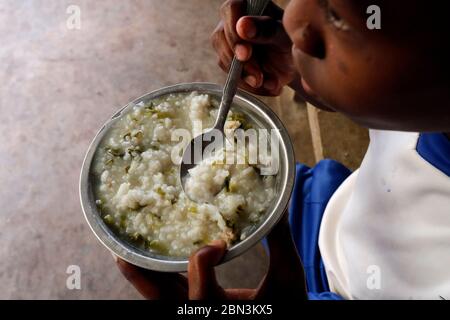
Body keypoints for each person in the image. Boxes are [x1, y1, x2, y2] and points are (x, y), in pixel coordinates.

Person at [114, 0, 450, 299]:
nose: (292, 18)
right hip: (336, 210)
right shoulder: (426, 97)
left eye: (338, 17)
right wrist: (309, 70)